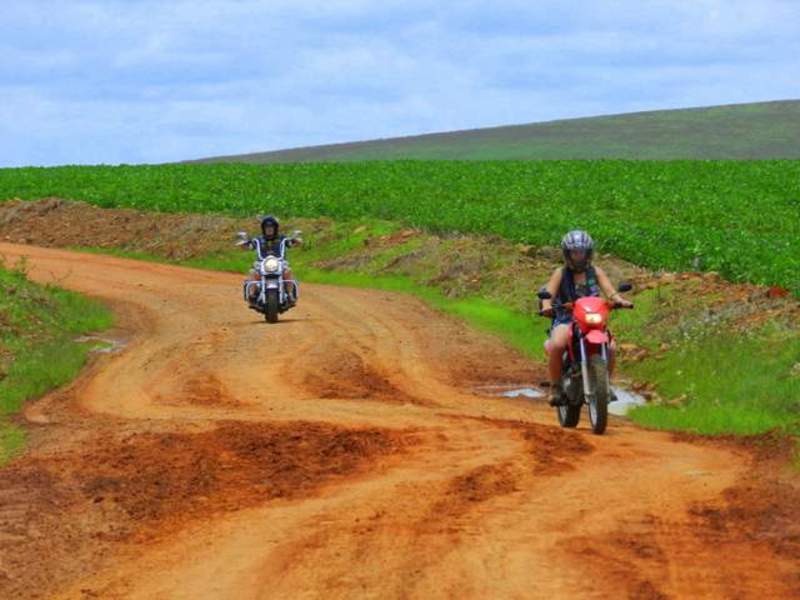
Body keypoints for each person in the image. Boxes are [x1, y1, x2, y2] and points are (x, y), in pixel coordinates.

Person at [540, 230, 632, 406]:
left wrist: (620, 301)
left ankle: (606, 385)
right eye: (574, 252)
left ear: (588, 253)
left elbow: (610, 291)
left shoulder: (595, 271)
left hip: (592, 318)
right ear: (568, 254)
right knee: (558, 344)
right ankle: (556, 387)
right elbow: (548, 294)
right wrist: (546, 307)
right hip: (566, 318)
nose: (578, 256)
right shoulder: (560, 272)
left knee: (611, 347)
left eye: (581, 252)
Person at [241, 215, 301, 305]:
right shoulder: (258, 239)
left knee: (288, 271)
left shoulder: (282, 239)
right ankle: (252, 295)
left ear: (275, 228)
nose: (269, 229)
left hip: (279, 262)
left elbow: (291, 243)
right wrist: (244, 243)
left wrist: (296, 240)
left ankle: (289, 295)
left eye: (271, 227)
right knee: (252, 272)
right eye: (267, 227)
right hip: (262, 263)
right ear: (263, 228)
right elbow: (250, 246)